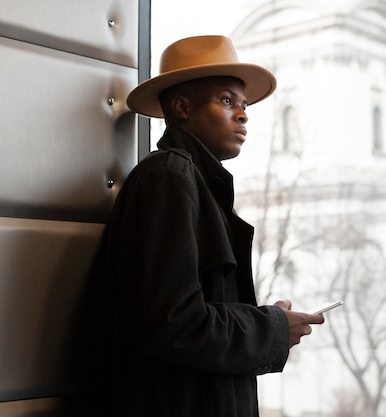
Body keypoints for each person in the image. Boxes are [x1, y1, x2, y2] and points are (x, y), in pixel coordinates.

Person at [98, 35, 325, 416]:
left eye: (244, 104)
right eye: (226, 100)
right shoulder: (170, 176)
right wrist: (271, 328)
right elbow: (172, 322)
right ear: (183, 107)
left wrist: (266, 322)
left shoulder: (192, 180)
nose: (243, 114)